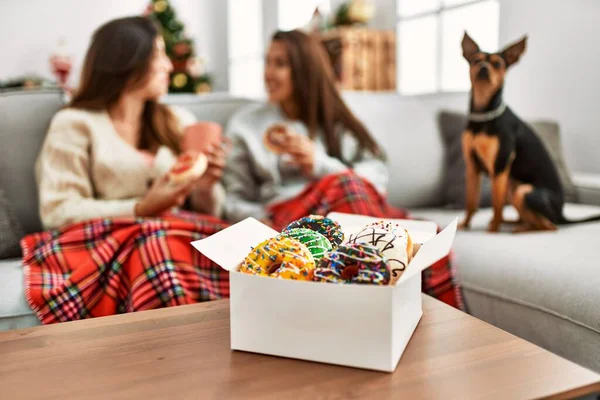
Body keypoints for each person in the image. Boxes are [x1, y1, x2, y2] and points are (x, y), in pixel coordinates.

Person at [223, 30, 461, 308]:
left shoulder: (333, 120)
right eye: (268, 62)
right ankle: (377, 292)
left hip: (345, 216)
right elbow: (234, 198)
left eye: (281, 64)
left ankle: (388, 294)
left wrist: (319, 164)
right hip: (287, 218)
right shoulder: (245, 124)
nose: (268, 73)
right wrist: (260, 220)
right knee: (345, 184)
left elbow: (376, 177)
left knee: (419, 226)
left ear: (305, 70)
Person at [21, 16, 230, 324]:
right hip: (113, 243)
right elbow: (58, 210)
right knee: (157, 245)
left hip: (178, 234)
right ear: (128, 61)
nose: (169, 67)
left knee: (221, 246)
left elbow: (211, 209)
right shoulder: (75, 124)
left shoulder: (177, 120)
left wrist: (207, 184)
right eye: (159, 55)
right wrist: (141, 209)